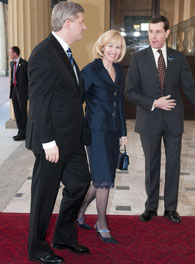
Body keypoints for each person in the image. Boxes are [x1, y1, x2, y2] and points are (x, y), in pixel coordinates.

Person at [26, 2, 91, 263]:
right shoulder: (44, 53)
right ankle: (37, 249)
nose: (84, 26)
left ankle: (63, 237)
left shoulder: (64, 51)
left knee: (79, 184)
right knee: (44, 195)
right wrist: (48, 142)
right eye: (81, 22)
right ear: (68, 24)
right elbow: (38, 102)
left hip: (72, 138)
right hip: (52, 141)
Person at [125, 15, 195, 223]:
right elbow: (130, 92)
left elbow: (189, 88)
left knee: (173, 163)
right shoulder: (138, 58)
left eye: (157, 32)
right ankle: (151, 207)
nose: (153, 36)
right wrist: (155, 102)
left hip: (173, 120)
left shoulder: (178, 57)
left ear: (166, 33)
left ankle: (171, 209)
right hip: (149, 119)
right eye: (150, 32)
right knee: (152, 164)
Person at [77, 30, 127, 244]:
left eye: (117, 47)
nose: (114, 51)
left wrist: (123, 132)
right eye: (110, 46)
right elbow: (76, 101)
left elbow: (119, 102)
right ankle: (101, 223)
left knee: (101, 179)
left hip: (113, 130)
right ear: (102, 46)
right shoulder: (90, 71)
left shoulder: (119, 70)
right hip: (95, 131)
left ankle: (78, 213)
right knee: (104, 179)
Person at [9, 46, 28, 141]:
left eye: (10, 52)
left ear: (15, 53)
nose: (9, 54)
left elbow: (29, 79)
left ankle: (24, 133)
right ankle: (20, 131)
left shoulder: (24, 64)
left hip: (22, 93)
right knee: (17, 112)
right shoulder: (12, 63)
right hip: (14, 91)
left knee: (22, 113)